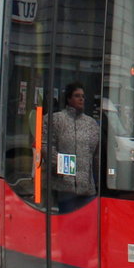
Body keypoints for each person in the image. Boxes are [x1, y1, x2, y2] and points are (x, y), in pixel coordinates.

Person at [49, 82, 100, 211]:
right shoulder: (57, 120)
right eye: (77, 96)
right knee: (67, 225)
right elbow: (47, 146)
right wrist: (63, 168)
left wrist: (98, 179)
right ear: (68, 99)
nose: (81, 99)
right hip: (66, 188)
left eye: (83, 96)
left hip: (87, 189)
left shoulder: (91, 123)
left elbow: (96, 155)